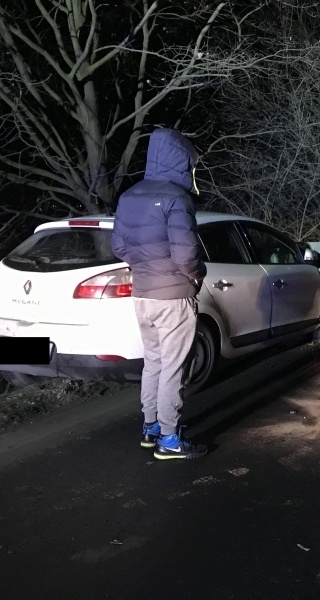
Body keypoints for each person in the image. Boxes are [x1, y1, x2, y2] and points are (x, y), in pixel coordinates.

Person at [112, 128, 208, 460]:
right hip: (174, 299)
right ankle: (169, 440)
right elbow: (186, 256)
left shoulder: (129, 196)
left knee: (152, 363)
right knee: (173, 367)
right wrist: (197, 278)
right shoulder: (176, 198)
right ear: (181, 161)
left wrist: (145, 267)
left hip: (142, 296)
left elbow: (119, 246)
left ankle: (150, 428)